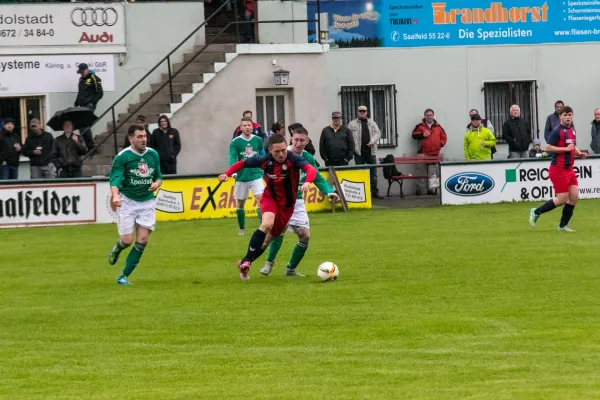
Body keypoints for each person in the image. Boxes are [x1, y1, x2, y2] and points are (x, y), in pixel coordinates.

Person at [217, 134, 317, 280]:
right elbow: (241, 164)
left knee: (266, 241)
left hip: (287, 206)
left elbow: (311, 169)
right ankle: (246, 262)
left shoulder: (293, 158)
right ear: (270, 150)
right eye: (277, 151)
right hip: (270, 198)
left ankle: (245, 262)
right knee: (267, 223)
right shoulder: (264, 160)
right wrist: (226, 174)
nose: (281, 154)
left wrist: (308, 181)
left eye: (283, 150)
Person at [260, 126, 338, 277]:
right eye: (296, 139)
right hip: (280, 201)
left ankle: (290, 269)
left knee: (305, 235)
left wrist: (329, 191)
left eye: (302, 140)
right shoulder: (281, 154)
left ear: (306, 141)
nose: (298, 143)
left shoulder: (307, 157)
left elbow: (316, 176)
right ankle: (268, 262)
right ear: (291, 139)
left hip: (298, 202)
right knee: (278, 231)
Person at [108, 125, 163, 285]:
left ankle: (123, 276)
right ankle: (117, 249)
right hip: (128, 201)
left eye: (144, 136)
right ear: (131, 139)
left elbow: (159, 175)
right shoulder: (122, 157)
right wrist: (116, 195)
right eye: (139, 137)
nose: (143, 139)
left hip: (147, 201)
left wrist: (157, 184)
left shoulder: (153, 154)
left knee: (143, 240)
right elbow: (115, 179)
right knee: (126, 240)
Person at [529, 106, 586, 232]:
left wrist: (579, 153)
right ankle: (536, 211)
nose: (568, 117)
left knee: (574, 197)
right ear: (560, 117)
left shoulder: (572, 130)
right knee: (562, 199)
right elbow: (548, 147)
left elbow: (572, 145)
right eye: (565, 115)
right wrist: (565, 150)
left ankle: (562, 226)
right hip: (558, 169)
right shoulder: (557, 131)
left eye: (570, 115)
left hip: (569, 169)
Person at [229, 117, 265, 235]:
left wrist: (265, 168)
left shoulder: (258, 140)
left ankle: (262, 227)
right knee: (240, 204)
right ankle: (242, 228)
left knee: (261, 199)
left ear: (252, 126)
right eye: (245, 125)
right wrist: (232, 171)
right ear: (241, 128)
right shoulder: (235, 142)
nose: (247, 127)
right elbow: (232, 157)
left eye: (249, 125)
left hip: (256, 175)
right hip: (241, 176)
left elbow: (263, 156)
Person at [348, 105, 384, 199]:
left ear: (367, 112)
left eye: (364, 111)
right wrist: (353, 149)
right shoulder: (352, 124)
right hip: (358, 152)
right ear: (357, 112)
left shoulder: (372, 123)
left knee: (373, 174)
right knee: (360, 172)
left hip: (371, 151)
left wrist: (373, 141)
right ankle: (361, 194)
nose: (362, 112)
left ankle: (374, 193)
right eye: (360, 111)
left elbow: (378, 133)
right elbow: (348, 137)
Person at [411, 108, 447, 195]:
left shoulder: (438, 126)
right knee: (421, 172)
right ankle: (419, 189)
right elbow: (413, 135)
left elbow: (444, 137)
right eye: (427, 115)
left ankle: (432, 190)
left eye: (430, 115)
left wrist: (439, 145)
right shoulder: (420, 126)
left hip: (434, 154)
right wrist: (422, 134)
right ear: (424, 116)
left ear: (433, 116)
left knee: (433, 173)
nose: (429, 117)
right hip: (422, 153)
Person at [74, 63, 103, 153]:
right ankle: (88, 146)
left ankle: (91, 147)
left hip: (89, 106)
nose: (82, 73)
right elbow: (80, 93)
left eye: (83, 71)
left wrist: (93, 102)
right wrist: (76, 102)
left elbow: (100, 93)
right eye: (80, 72)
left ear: (87, 69)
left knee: (84, 125)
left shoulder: (94, 78)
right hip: (82, 106)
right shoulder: (81, 79)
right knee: (81, 125)